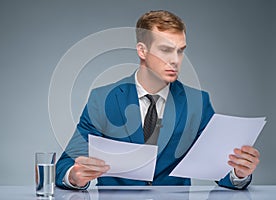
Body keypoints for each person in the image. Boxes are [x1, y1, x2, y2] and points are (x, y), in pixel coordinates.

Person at [56, 10, 260, 190]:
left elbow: (220, 171)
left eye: (180, 50)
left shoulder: (197, 103)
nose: (175, 60)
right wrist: (74, 176)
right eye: (166, 50)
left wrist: (238, 172)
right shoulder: (102, 99)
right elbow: (65, 165)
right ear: (142, 51)